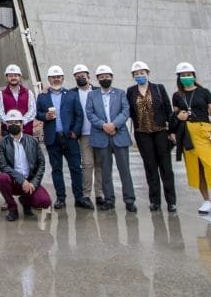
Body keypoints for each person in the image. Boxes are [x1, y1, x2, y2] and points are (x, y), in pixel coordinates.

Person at [171, 62, 211, 218]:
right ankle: (207, 201)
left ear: (194, 75)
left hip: (204, 131)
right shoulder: (177, 95)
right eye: (183, 75)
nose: (186, 77)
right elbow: (174, 116)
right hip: (187, 133)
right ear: (179, 77)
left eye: (189, 74)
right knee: (195, 168)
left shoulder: (203, 92)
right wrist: (178, 117)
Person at [36, 66, 92, 210]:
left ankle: (79, 198)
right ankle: (61, 198)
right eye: (53, 77)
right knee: (56, 169)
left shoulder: (71, 95)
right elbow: (37, 113)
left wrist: (75, 132)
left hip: (70, 138)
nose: (56, 79)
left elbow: (79, 115)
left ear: (63, 78)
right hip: (52, 138)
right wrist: (45, 116)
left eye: (59, 77)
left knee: (76, 168)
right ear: (49, 79)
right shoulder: (42, 96)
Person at [126, 61, 177, 212]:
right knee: (150, 167)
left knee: (166, 167)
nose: (139, 76)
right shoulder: (131, 91)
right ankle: (154, 200)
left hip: (161, 131)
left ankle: (171, 201)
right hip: (142, 133)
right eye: (136, 74)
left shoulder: (158, 88)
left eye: (142, 73)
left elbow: (168, 110)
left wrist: (172, 131)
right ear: (133, 76)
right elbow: (129, 111)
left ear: (148, 73)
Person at [85, 65, 137, 212]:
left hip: (119, 135)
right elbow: (90, 113)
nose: (104, 79)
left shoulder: (120, 94)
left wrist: (114, 125)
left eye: (107, 76)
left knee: (124, 169)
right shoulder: (92, 95)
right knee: (105, 170)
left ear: (112, 77)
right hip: (101, 136)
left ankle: (129, 200)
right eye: (101, 77)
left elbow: (126, 111)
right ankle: (109, 199)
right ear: (97, 79)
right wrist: (103, 126)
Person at [0, 109, 52, 221]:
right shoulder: (2, 144)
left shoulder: (33, 141)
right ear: (6, 125)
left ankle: (25, 201)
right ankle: (12, 208)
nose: (14, 125)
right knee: (2, 178)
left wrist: (33, 183)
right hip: (14, 182)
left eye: (17, 122)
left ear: (22, 124)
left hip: (30, 182)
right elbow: (3, 166)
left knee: (44, 202)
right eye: (11, 122)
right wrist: (22, 180)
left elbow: (41, 164)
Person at [70, 64, 102, 208]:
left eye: (83, 75)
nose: (80, 77)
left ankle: (99, 194)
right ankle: (86, 195)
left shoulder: (98, 91)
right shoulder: (72, 93)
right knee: (87, 164)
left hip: (99, 132)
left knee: (100, 164)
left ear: (89, 76)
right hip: (83, 134)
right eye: (77, 76)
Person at [0, 64, 35, 136]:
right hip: (8, 132)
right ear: (7, 78)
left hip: (26, 131)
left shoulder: (28, 92)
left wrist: (21, 123)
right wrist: (11, 124)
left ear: (19, 77)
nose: (13, 78)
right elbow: (0, 113)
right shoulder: (0, 94)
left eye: (15, 75)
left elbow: (32, 111)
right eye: (10, 76)